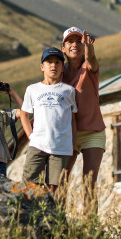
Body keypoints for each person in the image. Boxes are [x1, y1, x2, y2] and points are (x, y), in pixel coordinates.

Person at [20, 47, 78, 193]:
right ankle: (30, 214)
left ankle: (51, 215)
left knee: (55, 188)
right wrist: (30, 136)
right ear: (42, 67)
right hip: (37, 144)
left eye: (58, 62)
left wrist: (73, 143)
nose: (53, 66)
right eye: (49, 62)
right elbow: (24, 114)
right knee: (29, 183)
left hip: (60, 146)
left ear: (62, 67)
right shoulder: (32, 89)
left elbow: (72, 118)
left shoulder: (68, 90)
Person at [61, 26, 105, 210]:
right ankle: (58, 225)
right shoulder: (58, 73)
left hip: (92, 133)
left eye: (78, 41)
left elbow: (91, 59)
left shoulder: (89, 68)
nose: (74, 45)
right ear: (63, 48)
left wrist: (89, 48)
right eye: (70, 41)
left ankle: (90, 230)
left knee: (89, 183)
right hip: (67, 134)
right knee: (60, 181)